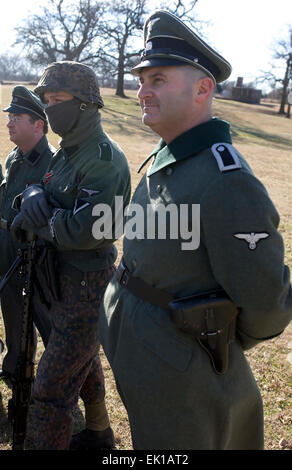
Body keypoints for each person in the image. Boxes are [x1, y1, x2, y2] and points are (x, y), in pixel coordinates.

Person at [99, 10, 292, 450]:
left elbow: (265, 305)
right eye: (142, 79)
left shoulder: (226, 179)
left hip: (184, 367)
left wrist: (204, 343)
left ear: (203, 89)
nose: (142, 91)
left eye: (158, 79)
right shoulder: (168, 154)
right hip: (141, 346)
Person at [11, 61, 131, 450]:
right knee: (83, 362)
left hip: (85, 284)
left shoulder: (104, 158)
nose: (49, 107)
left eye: (57, 99)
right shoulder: (68, 153)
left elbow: (90, 228)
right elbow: (47, 195)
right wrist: (30, 197)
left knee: (50, 391)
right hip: (56, 278)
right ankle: (99, 432)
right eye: (46, 100)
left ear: (84, 104)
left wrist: (41, 217)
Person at [0, 86, 53, 383]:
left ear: (38, 125)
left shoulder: (54, 164)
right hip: (8, 246)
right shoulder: (13, 157)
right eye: (9, 117)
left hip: (37, 256)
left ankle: (58, 383)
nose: (8, 122)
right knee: (12, 315)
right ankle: (16, 372)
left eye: (16, 117)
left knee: (47, 325)